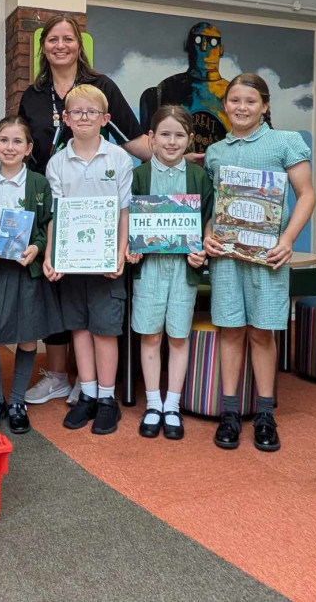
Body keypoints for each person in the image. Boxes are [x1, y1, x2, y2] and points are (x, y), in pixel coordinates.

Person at [19, 14, 148, 409]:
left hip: (96, 204)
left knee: (94, 302)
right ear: (43, 47)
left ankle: (90, 385)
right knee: (55, 291)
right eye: (53, 39)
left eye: (68, 39)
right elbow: (22, 144)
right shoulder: (33, 95)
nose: (60, 45)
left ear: (80, 44)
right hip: (51, 198)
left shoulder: (101, 87)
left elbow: (132, 136)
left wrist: (167, 156)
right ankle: (60, 376)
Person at [202, 73, 315, 452]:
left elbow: (306, 196)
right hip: (228, 257)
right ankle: (230, 413)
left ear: (265, 105)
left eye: (251, 101)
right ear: (225, 105)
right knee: (231, 330)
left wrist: (287, 240)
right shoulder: (217, 151)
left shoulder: (286, 143)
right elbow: (213, 205)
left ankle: (266, 414)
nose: (242, 107)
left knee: (262, 332)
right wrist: (207, 235)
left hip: (268, 256)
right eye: (234, 100)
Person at [44, 84, 133, 435]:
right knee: (79, 327)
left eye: (91, 112)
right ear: (65, 119)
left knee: (105, 330)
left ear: (105, 119)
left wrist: (120, 253)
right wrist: (51, 256)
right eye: (76, 112)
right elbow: (54, 215)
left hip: (107, 262)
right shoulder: (56, 163)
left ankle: (108, 400)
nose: (83, 117)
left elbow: (125, 210)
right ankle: (89, 395)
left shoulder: (119, 158)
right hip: (72, 263)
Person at [126, 106, 214, 440]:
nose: (172, 141)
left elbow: (207, 218)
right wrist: (131, 244)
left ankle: (172, 405)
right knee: (150, 334)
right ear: (151, 139)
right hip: (148, 268)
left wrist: (202, 247)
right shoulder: (140, 176)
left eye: (179, 135)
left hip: (183, 270)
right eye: (164, 134)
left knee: (178, 335)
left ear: (189, 139)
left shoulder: (198, 177)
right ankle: (153, 403)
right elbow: (131, 219)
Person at [0, 116, 64, 434]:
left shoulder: (38, 183)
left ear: (28, 148)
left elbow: (44, 225)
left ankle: (16, 402)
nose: (10, 147)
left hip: (27, 273)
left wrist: (38, 248)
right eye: (4, 140)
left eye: (17, 141)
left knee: (27, 340)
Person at [138, 22, 231, 160]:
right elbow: (150, 151)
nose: (204, 48)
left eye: (212, 42)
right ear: (188, 45)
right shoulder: (167, 88)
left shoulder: (232, 94)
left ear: (221, 49)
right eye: (198, 41)